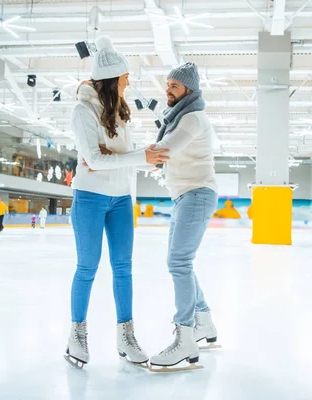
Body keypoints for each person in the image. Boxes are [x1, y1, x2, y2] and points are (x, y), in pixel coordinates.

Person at [63, 35, 170, 370]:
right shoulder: (82, 111)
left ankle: (126, 336)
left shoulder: (120, 111)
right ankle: (76, 335)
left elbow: (118, 157)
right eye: (125, 76)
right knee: (88, 267)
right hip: (90, 197)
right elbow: (93, 160)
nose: (129, 81)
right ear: (112, 78)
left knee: (123, 269)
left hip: (121, 199)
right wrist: (131, 156)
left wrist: (144, 159)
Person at [148, 63, 219, 370]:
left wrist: (114, 158)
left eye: (174, 86)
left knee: (178, 263)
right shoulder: (180, 117)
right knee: (180, 262)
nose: (168, 89)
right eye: (167, 84)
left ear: (189, 90)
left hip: (195, 193)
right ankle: (203, 323)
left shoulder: (192, 118)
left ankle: (185, 338)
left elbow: (163, 150)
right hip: (185, 196)